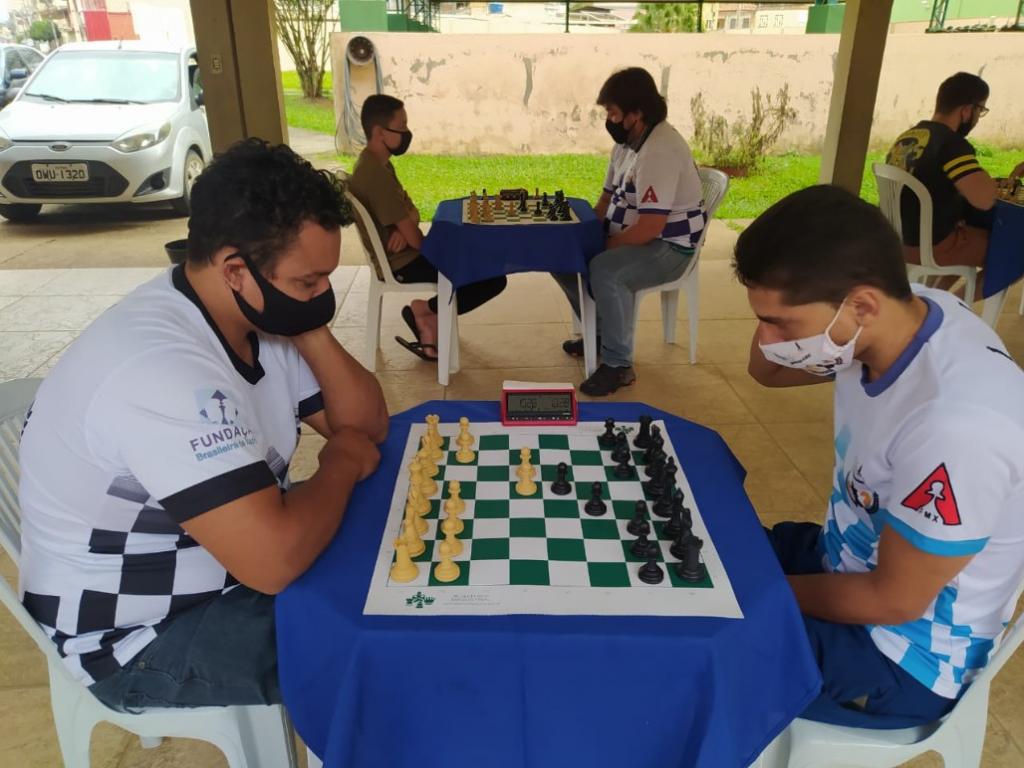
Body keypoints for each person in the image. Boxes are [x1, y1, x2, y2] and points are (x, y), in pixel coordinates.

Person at [18, 139, 389, 711]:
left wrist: (309, 325)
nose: (323, 296)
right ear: (235, 269)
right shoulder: (161, 368)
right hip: (140, 634)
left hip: (226, 574)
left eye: (326, 281)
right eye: (308, 283)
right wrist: (337, 462)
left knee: (397, 581)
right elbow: (274, 562)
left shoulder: (252, 313)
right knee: (387, 648)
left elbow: (368, 424)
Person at [735, 184, 1024, 728]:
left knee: (701, 644)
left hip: (901, 657)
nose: (768, 338)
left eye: (780, 323)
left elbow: (894, 601)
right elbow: (766, 371)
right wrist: (775, 297)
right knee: (704, 556)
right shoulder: (910, 309)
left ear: (862, 306)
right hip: (843, 561)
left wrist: (758, 592)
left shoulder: (957, 425)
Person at [554, 67, 706, 396]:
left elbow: (650, 228)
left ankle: (618, 365)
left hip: (671, 248)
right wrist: (583, 234)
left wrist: (603, 246)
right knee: (561, 255)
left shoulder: (659, 151)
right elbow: (607, 197)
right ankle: (598, 335)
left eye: (613, 112)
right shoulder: (627, 146)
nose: (608, 120)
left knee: (605, 269)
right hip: (638, 236)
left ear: (636, 114)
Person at [348, 94, 507, 361]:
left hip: (406, 254)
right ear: (379, 132)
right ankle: (428, 313)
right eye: (402, 127)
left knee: (476, 256)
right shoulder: (375, 176)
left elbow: (411, 209)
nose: (407, 134)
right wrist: (410, 230)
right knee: (492, 276)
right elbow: (415, 238)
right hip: (403, 264)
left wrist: (405, 223)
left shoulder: (377, 164)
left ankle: (427, 314)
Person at [885, 72, 999, 296]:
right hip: (931, 244)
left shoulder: (910, 135)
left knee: (969, 236)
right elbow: (985, 200)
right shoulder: (951, 144)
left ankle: (935, 299)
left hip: (899, 237)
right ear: (967, 110)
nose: (977, 118)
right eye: (980, 111)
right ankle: (952, 306)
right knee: (1013, 251)